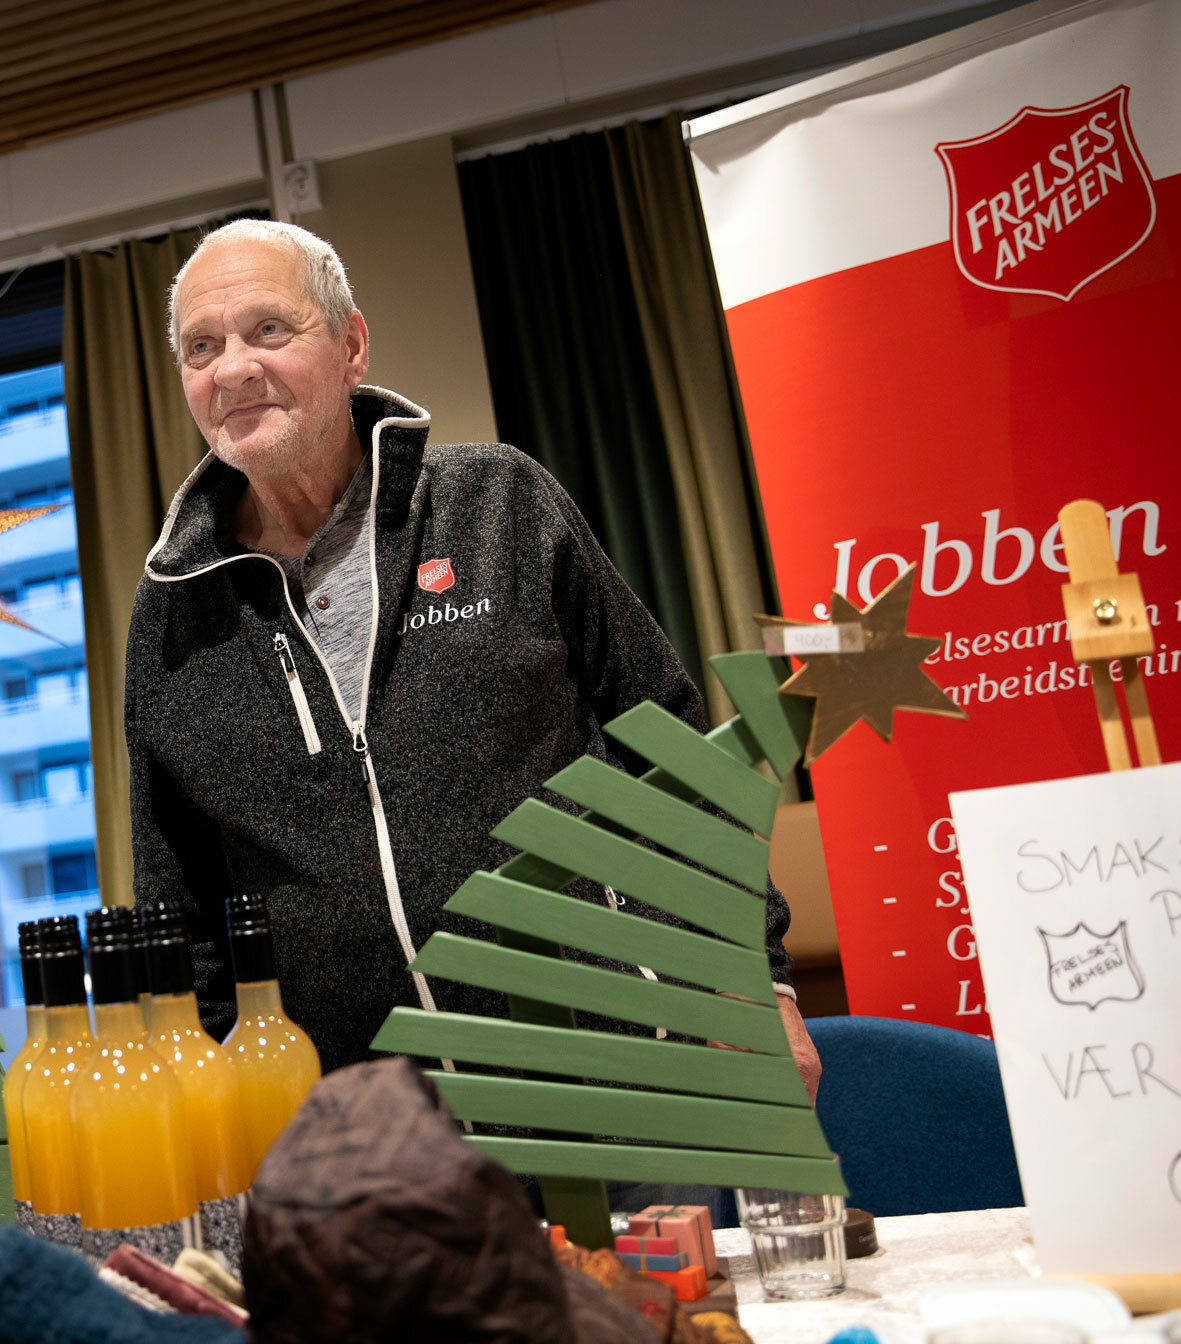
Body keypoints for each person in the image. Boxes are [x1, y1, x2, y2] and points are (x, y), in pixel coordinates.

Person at [122, 218, 820, 1098]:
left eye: (268, 329)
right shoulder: (173, 609)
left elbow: (670, 749)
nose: (232, 369)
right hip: (368, 1126)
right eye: (201, 346)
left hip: (617, 1068)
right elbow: (179, 903)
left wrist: (751, 973)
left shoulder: (498, 503)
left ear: (351, 345)